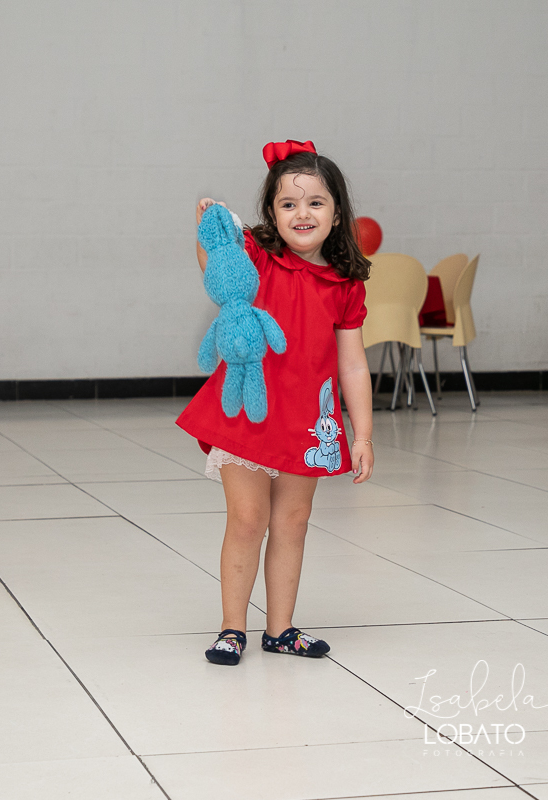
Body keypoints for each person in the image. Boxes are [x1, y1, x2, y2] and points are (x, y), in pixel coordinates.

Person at [176, 139, 374, 666]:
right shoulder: (259, 258)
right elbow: (215, 268)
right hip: (249, 413)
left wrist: (363, 435)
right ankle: (231, 628)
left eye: (315, 202)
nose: (301, 213)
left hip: (308, 420)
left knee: (293, 522)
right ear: (271, 212)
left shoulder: (345, 284)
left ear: (337, 214)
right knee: (247, 519)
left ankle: (281, 628)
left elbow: (353, 364)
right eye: (288, 203)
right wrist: (209, 231)